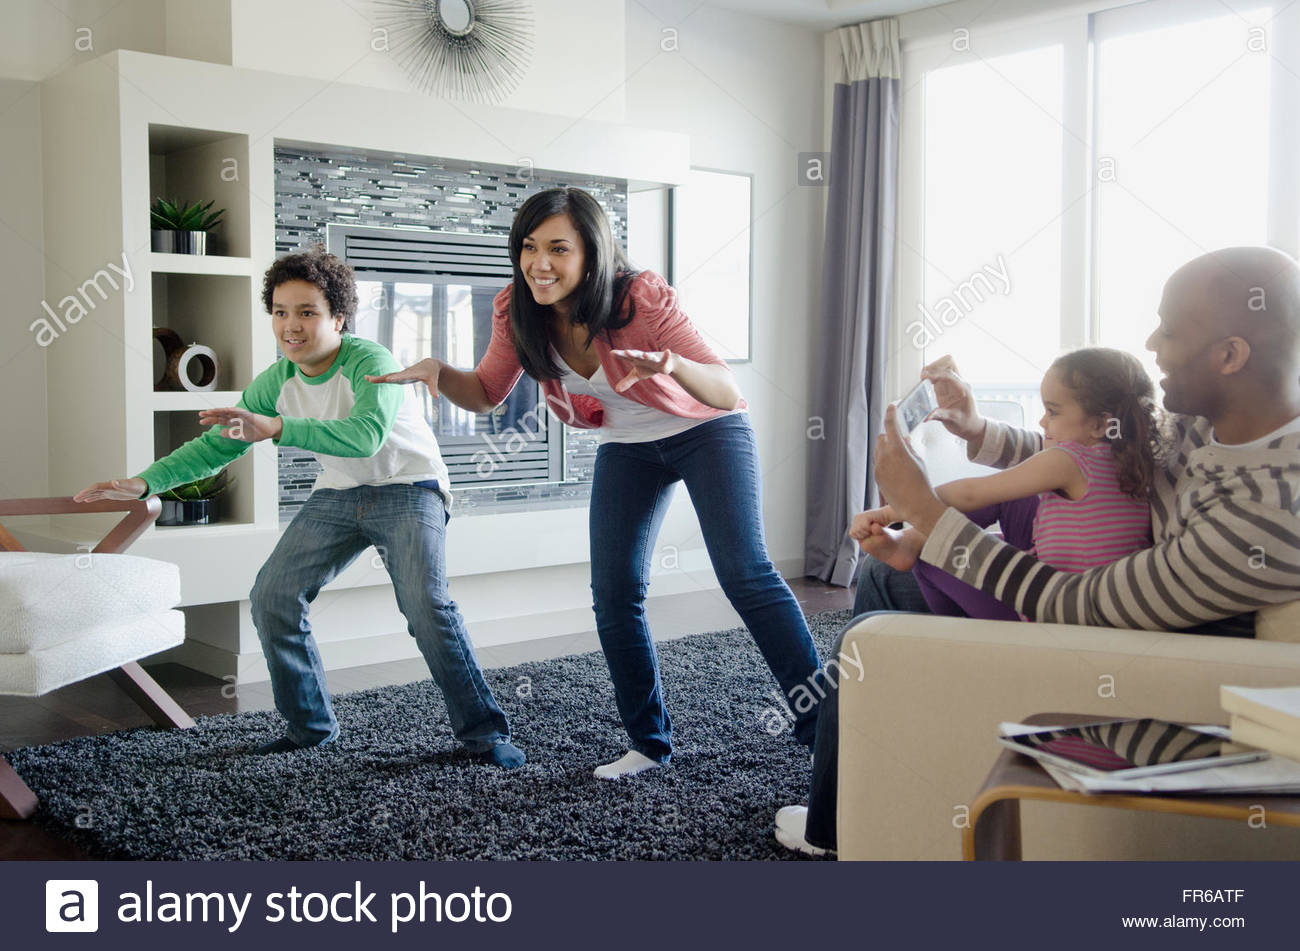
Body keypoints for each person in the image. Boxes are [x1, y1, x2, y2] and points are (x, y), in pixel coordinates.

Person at [776, 245, 1300, 855]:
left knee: (869, 627)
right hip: (1103, 592)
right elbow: (1094, 459)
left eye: (1170, 330)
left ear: (1231, 354)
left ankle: (834, 826)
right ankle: (861, 759)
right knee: (886, 575)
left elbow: (1076, 603)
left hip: (1109, 640)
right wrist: (977, 430)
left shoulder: (1269, 510)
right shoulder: (1209, 422)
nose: (1152, 343)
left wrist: (924, 509)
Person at [367, 186, 823, 779]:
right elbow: (484, 392)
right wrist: (438, 372)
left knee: (745, 572)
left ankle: (823, 726)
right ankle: (649, 744)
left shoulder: (639, 298)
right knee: (614, 592)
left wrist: (673, 365)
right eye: (529, 247)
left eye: (559, 248)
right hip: (629, 446)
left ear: (591, 252)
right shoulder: (518, 308)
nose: (540, 263)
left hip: (706, 430)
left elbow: (725, 390)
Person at [75, 248, 524, 767]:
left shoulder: (369, 361)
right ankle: (308, 727)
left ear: (337, 317)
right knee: (273, 595)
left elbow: (365, 436)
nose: (291, 326)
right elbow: (218, 445)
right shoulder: (276, 381)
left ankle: (485, 735)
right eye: (281, 312)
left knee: (426, 606)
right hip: (338, 492)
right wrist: (144, 482)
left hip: (408, 486)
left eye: (307, 312)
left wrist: (279, 427)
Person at [851, 347, 1159, 621]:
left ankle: (957, 634)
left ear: (1100, 424)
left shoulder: (1068, 460)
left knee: (935, 551)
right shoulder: (1135, 459)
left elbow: (971, 493)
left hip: (1045, 611)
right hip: (1082, 595)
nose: (1042, 422)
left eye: (1052, 411)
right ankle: (911, 542)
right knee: (1015, 489)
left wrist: (900, 509)